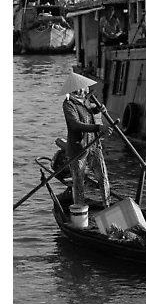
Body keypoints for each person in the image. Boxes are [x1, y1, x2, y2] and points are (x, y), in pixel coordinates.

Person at [60, 72, 113, 207]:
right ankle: (80, 210)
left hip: (94, 146)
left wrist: (99, 109)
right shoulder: (68, 105)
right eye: (79, 88)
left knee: (103, 177)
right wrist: (98, 128)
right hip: (78, 149)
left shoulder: (85, 102)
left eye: (83, 88)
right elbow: (76, 125)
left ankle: (107, 206)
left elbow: (89, 112)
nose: (83, 90)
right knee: (78, 182)